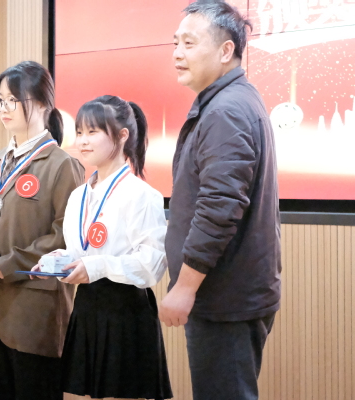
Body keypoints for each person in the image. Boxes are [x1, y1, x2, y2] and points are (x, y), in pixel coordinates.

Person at [160, 3, 281, 400]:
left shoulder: (226, 110)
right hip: (228, 295)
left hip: (224, 298)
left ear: (226, 50)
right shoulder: (231, 101)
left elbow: (220, 207)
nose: (177, 53)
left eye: (189, 43)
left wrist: (185, 287)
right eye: (175, 43)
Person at [33, 95, 173, 400]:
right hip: (87, 308)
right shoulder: (79, 195)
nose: (82, 141)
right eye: (79, 132)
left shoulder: (141, 194)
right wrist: (60, 260)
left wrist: (96, 266)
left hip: (125, 313)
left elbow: (151, 265)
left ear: (122, 136)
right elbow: (81, 252)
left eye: (92, 132)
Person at [0, 60, 85, 400]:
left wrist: (10, 263)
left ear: (44, 104)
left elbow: (65, 235)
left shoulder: (62, 165)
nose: (4, 108)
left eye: (13, 100)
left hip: (36, 309)